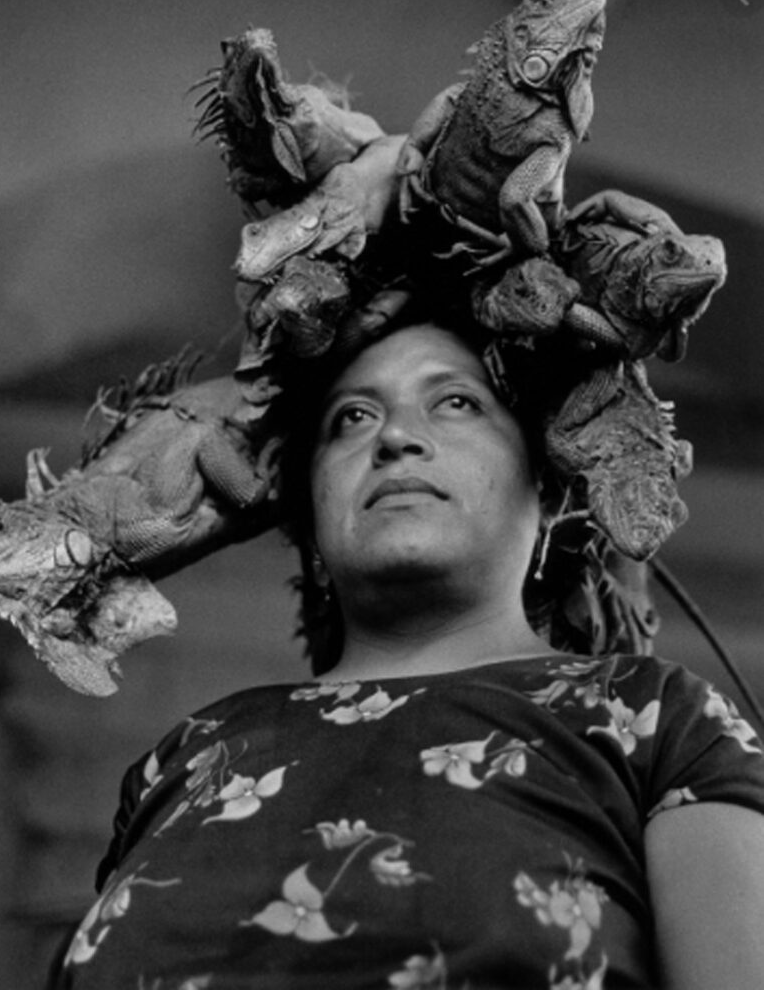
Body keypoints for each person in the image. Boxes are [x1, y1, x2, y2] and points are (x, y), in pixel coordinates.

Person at [48, 302, 764, 990]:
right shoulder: (193, 749)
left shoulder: (651, 718)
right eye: (351, 418)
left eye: (456, 403)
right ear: (311, 518)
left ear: (545, 494)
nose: (393, 437)